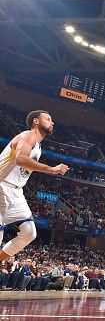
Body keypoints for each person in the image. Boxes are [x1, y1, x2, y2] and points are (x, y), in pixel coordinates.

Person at [0, 110, 69, 262]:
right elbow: (20, 159)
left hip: (16, 192)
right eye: (48, 119)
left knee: (29, 233)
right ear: (36, 121)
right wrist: (51, 169)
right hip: (2, 184)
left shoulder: (38, 146)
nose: (52, 122)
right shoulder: (28, 135)